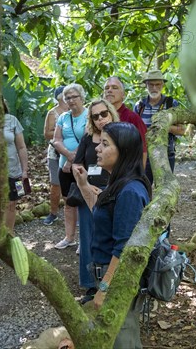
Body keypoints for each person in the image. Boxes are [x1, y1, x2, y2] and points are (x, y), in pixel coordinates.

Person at [73, 122, 151, 348]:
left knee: (122, 338)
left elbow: (125, 248)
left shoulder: (130, 192)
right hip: (109, 275)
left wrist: (105, 289)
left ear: (124, 151)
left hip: (116, 279)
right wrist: (83, 184)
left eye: (105, 144)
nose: (97, 148)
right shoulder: (118, 184)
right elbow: (101, 212)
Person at [72, 98, 119, 304]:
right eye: (95, 116)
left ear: (110, 113)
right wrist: (85, 184)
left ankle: (109, 282)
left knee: (109, 237)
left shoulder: (119, 135)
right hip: (87, 190)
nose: (100, 119)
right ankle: (90, 284)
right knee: (88, 237)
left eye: (103, 114)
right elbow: (76, 164)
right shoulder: (88, 137)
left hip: (111, 191)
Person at [51, 83, 88, 249]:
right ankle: (69, 237)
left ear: (82, 97)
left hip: (83, 166)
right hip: (63, 167)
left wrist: (72, 160)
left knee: (85, 202)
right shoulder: (63, 117)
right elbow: (55, 139)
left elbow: (88, 140)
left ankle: (84, 240)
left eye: (74, 96)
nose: (71, 100)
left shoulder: (89, 116)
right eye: (68, 98)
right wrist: (67, 154)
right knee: (68, 202)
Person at [134, 69, 185, 184]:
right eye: (151, 84)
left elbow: (181, 130)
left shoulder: (171, 104)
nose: (154, 88)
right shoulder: (139, 106)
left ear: (162, 85)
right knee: (143, 186)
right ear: (146, 85)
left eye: (157, 84)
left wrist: (162, 127)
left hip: (166, 155)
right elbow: (133, 131)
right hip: (143, 155)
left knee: (164, 187)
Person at [103, 77, 148, 167]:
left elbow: (143, 149)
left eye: (115, 88)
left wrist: (140, 175)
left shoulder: (133, 118)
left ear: (123, 94)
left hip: (126, 170)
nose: (110, 90)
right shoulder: (98, 117)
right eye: (107, 88)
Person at [42, 87, 68, 225]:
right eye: (65, 95)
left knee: (74, 184)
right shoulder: (53, 113)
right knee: (56, 184)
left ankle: (72, 214)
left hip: (72, 153)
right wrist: (64, 131)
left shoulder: (75, 112)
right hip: (55, 153)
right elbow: (46, 133)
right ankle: (53, 213)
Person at [3, 100, 29, 235]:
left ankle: (9, 234)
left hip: (13, 170)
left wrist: (24, 170)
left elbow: (21, 147)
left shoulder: (12, 120)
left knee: (12, 203)